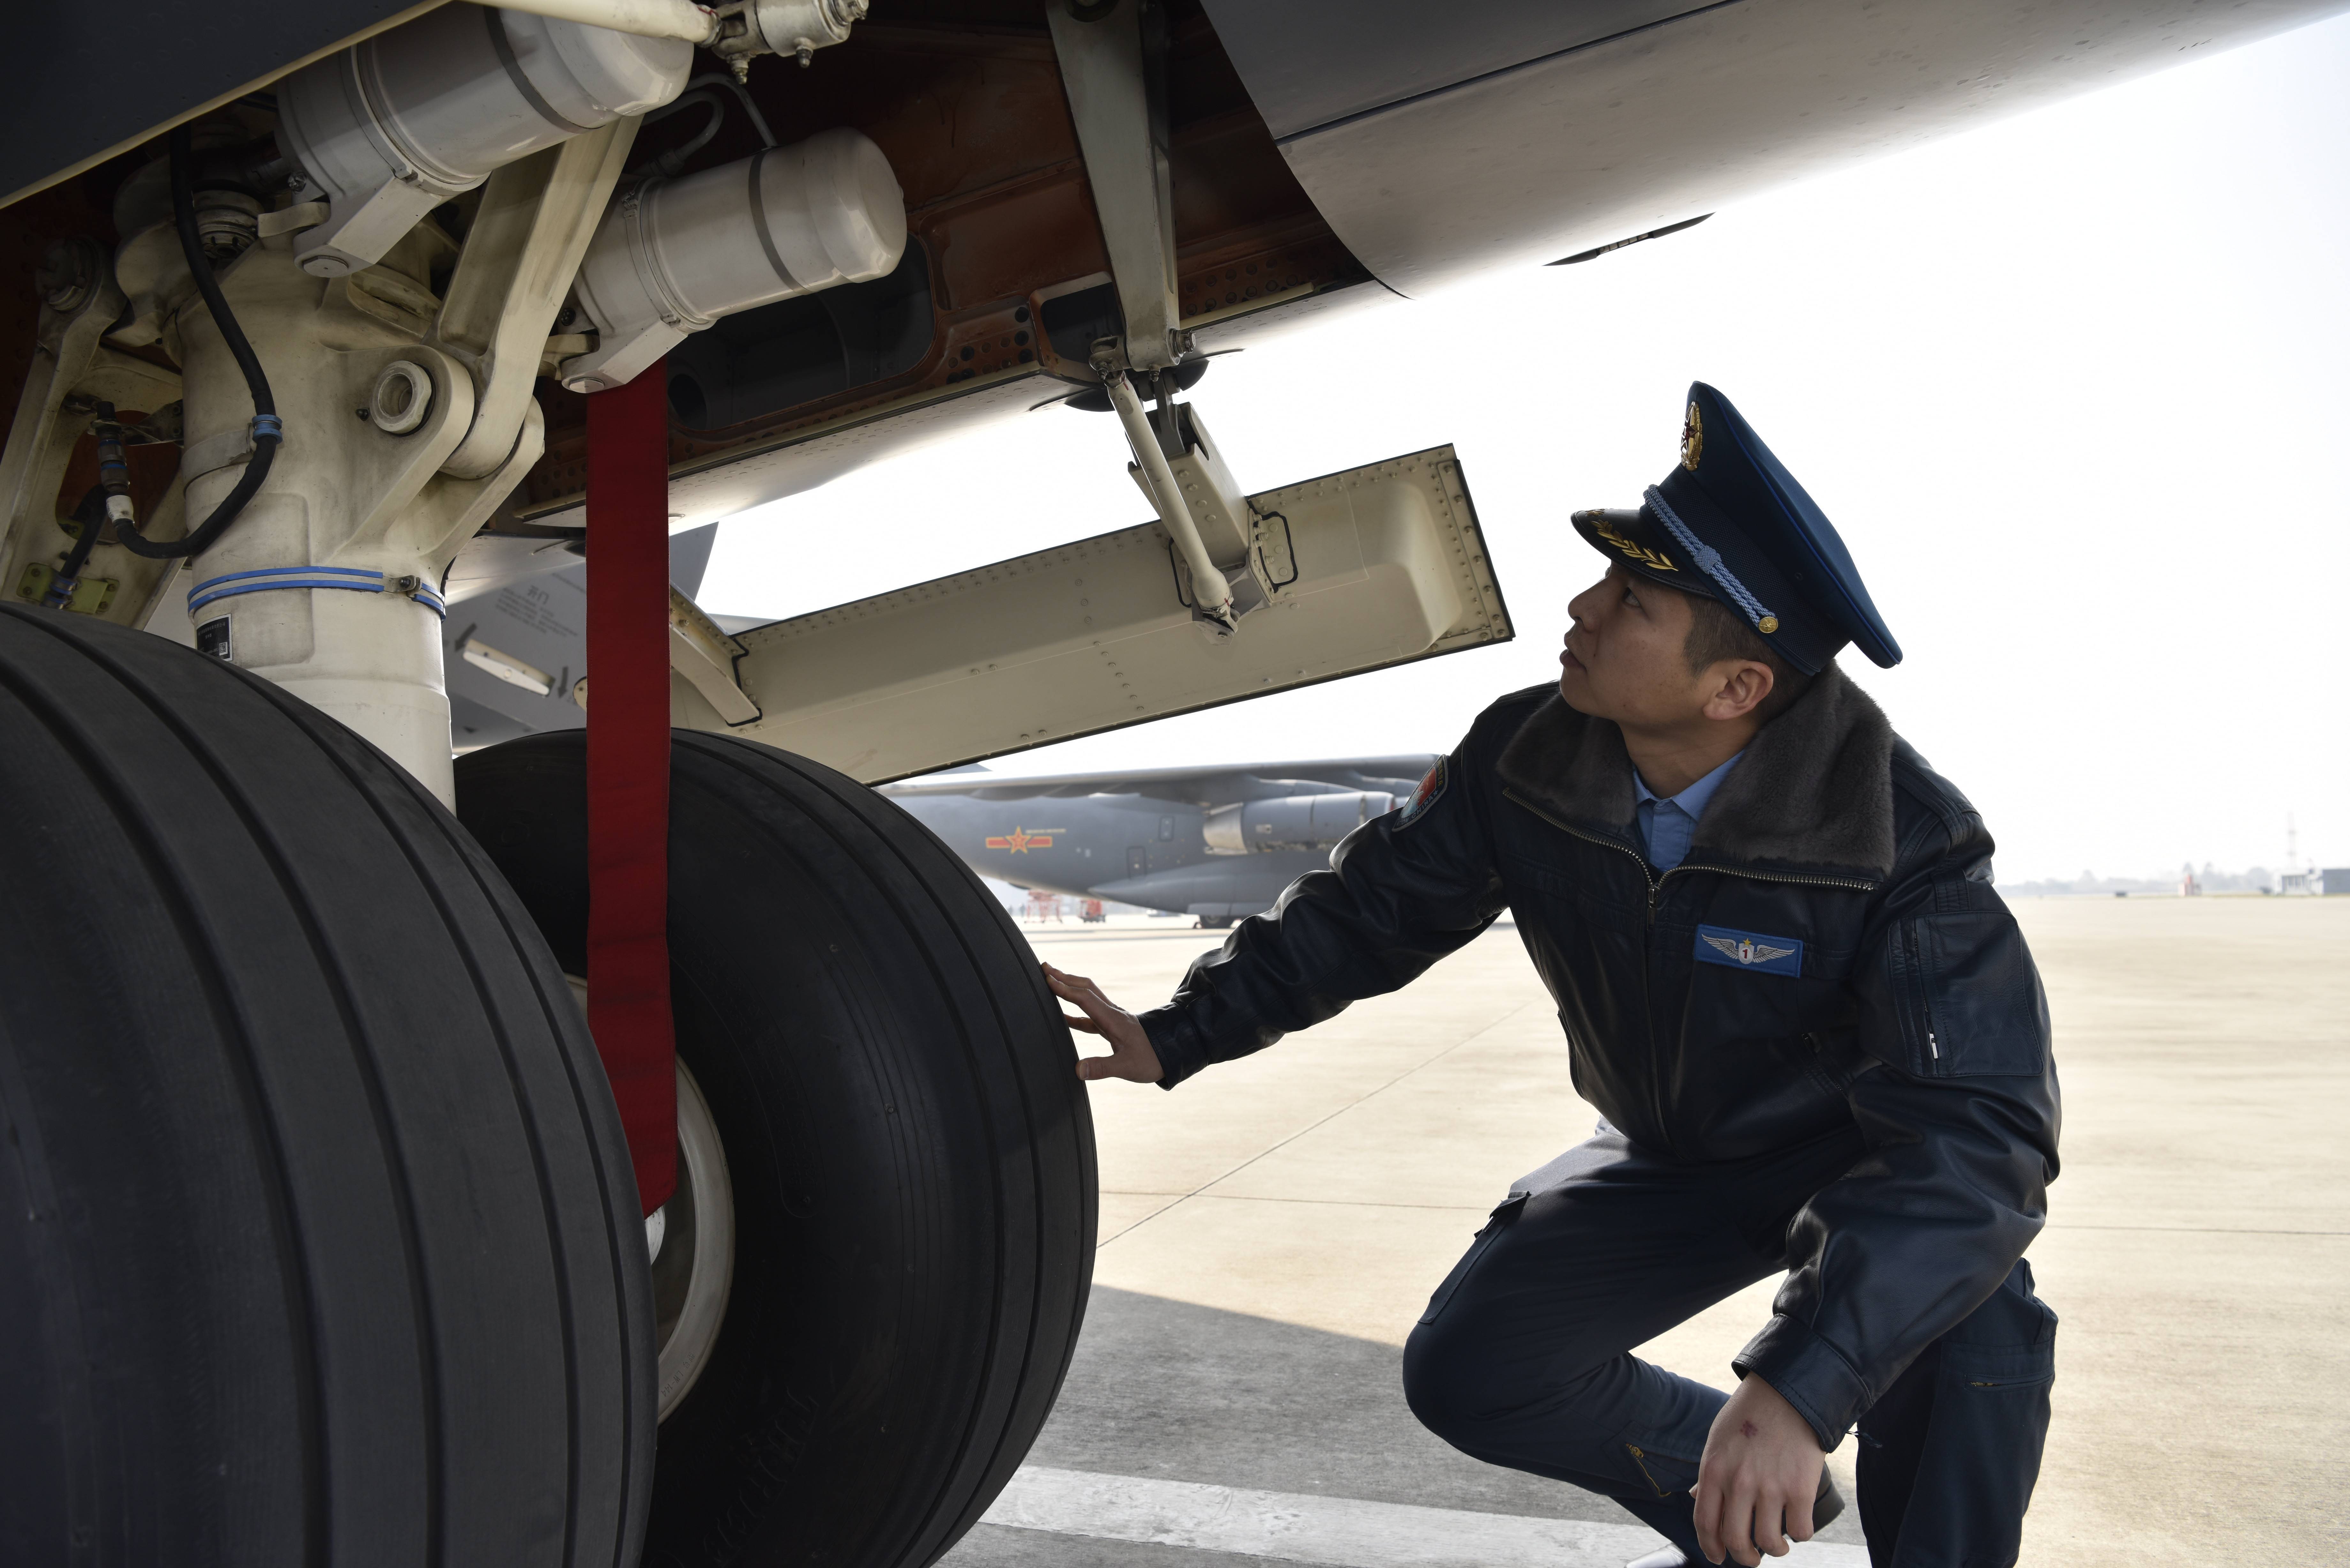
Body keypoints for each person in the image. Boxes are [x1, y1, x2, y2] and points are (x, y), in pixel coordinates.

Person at [1044, 383, 2059, 1568]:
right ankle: (1739, 1506)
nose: (1579, 607)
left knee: (1973, 1318)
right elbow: (1372, 915)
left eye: (1630, 600)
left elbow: (1978, 1136)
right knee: (1473, 1371)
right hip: (1665, 1153)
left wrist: (1798, 1387)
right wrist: (1183, 1032)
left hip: (1849, 1158)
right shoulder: (1529, 753)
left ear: (1736, 690)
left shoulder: (1899, 839)